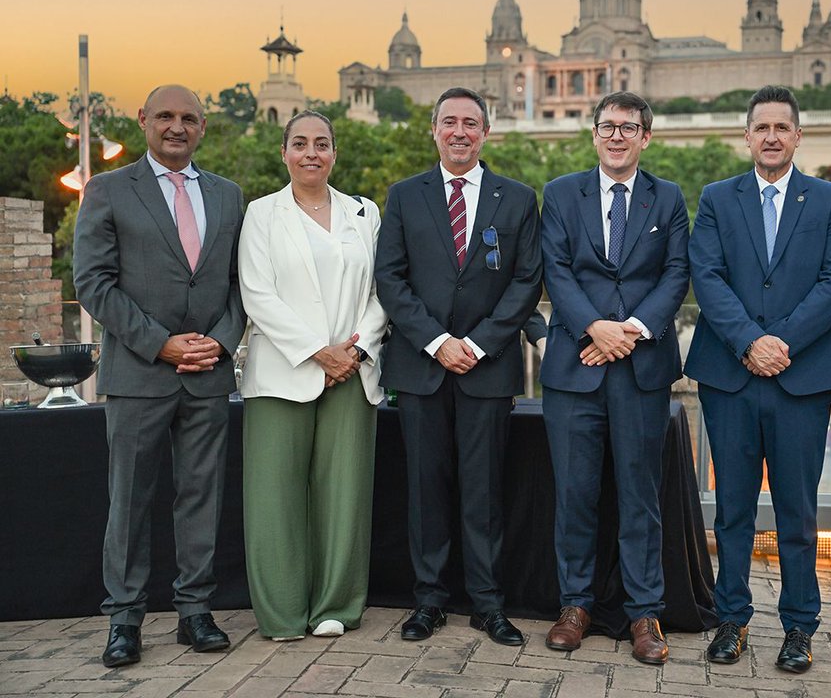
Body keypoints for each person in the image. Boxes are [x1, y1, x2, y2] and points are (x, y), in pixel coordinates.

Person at [686, 85, 831, 672]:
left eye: (782, 128)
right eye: (761, 127)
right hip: (730, 377)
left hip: (799, 376)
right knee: (732, 508)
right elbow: (705, 275)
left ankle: (799, 627)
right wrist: (749, 342)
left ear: (798, 136)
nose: (771, 137)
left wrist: (781, 341)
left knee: (797, 512)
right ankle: (731, 620)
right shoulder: (715, 197)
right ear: (747, 135)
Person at [73, 84, 246, 668]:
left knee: (201, 496)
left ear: (203, 127)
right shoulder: (107, 190)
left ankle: (195, 611)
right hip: (139, 373)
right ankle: (124, 619)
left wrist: (219, 343)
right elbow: (93, 283)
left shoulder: (228, 195)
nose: (178, 127)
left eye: (189, 118)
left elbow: (236, 288)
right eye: (166, 117)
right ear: (143, 119)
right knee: (130, 501)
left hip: (207, 376)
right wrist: (161, 344)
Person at [374, 87, 543, 647]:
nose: (460, 132)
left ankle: (489, 604)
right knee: (425, 489)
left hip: (487, 368)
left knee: (485, 492)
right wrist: (438, 341)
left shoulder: (517, 199)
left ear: (486, 132)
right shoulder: (403, 196)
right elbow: (391, 281)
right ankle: (428, 601)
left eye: (471, 123)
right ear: (434, 130)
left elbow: (526, 281)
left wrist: (480, 343)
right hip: (422, 367)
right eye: (450, 122)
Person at [539, 91, 690, 665]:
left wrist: (628, 331)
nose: (618, 136)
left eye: (630, 127)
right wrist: (593, 329)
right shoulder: (559, 193)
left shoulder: (668, 197)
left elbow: (677, 272)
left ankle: (643, 613)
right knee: (575, 494)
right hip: (574, 366)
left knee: (639, 496)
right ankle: (574, 606)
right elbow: (554, 268)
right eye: (608, 126)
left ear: (646, 138)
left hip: (641, 367)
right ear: (594, 134)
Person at [237, 111, 389, 641]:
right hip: (282, 372)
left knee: (343, 495)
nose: (311, 153)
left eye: (321, 144)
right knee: (274, 495)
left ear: (334, 153)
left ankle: (336, 606)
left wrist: (355, 350)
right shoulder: (260, 214)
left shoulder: (362, 214)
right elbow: (257, 294)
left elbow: (380, 292)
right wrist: (315, 352)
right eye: (299, 143)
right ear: (284, 152)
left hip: (353, 372)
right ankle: (281, 613)